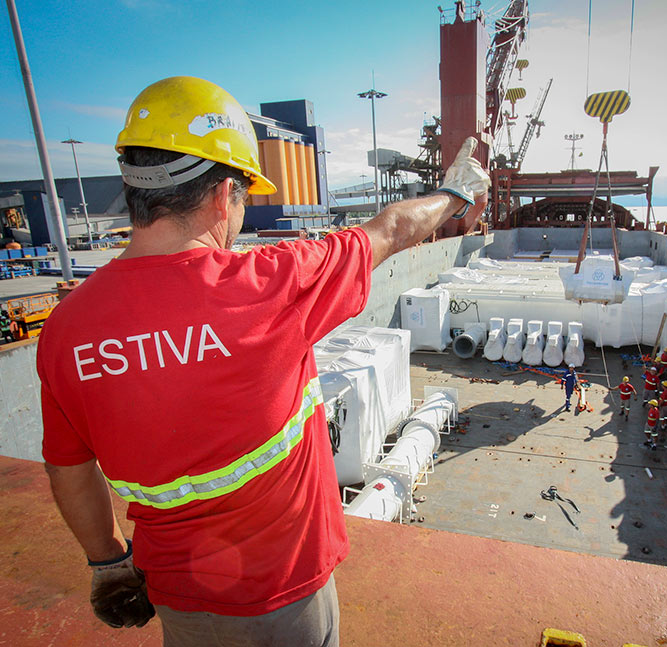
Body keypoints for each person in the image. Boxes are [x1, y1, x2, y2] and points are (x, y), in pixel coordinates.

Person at [37, 76, 490, 646]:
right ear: (224, 193)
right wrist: (456, 195)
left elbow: (69, 467)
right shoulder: (269, 283)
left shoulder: (66, 329)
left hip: (179, 596)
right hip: (286, 593)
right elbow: (394, 228)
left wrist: (107, 564)